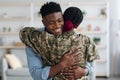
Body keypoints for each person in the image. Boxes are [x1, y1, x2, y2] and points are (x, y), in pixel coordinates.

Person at [19, 2, 99, 80]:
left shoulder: (74, 38)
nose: (57, 25)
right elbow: (36, 75)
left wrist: (85, 71)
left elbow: (89, 65)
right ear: (43, 22)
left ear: (63, 18)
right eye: (51, 22)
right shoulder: (34, 41)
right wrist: (62, 64)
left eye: (60, 20)